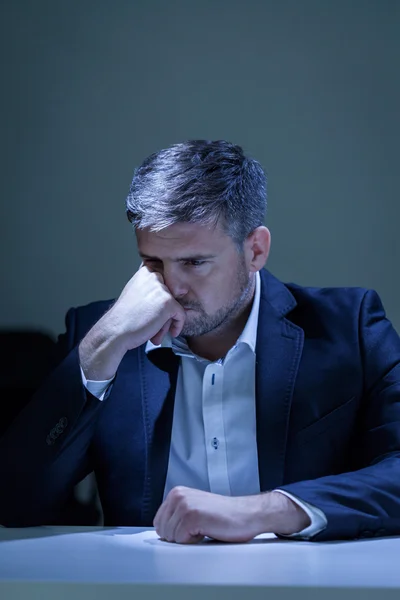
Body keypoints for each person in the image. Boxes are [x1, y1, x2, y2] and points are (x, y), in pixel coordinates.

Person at [1, 140, 400, 543]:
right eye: (152, 263)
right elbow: (14, 501)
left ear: (255, 250)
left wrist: (270, 510)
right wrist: (104, 343)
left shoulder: (350, 327)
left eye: (194, 262)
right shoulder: (98, 333)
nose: (172, 287)